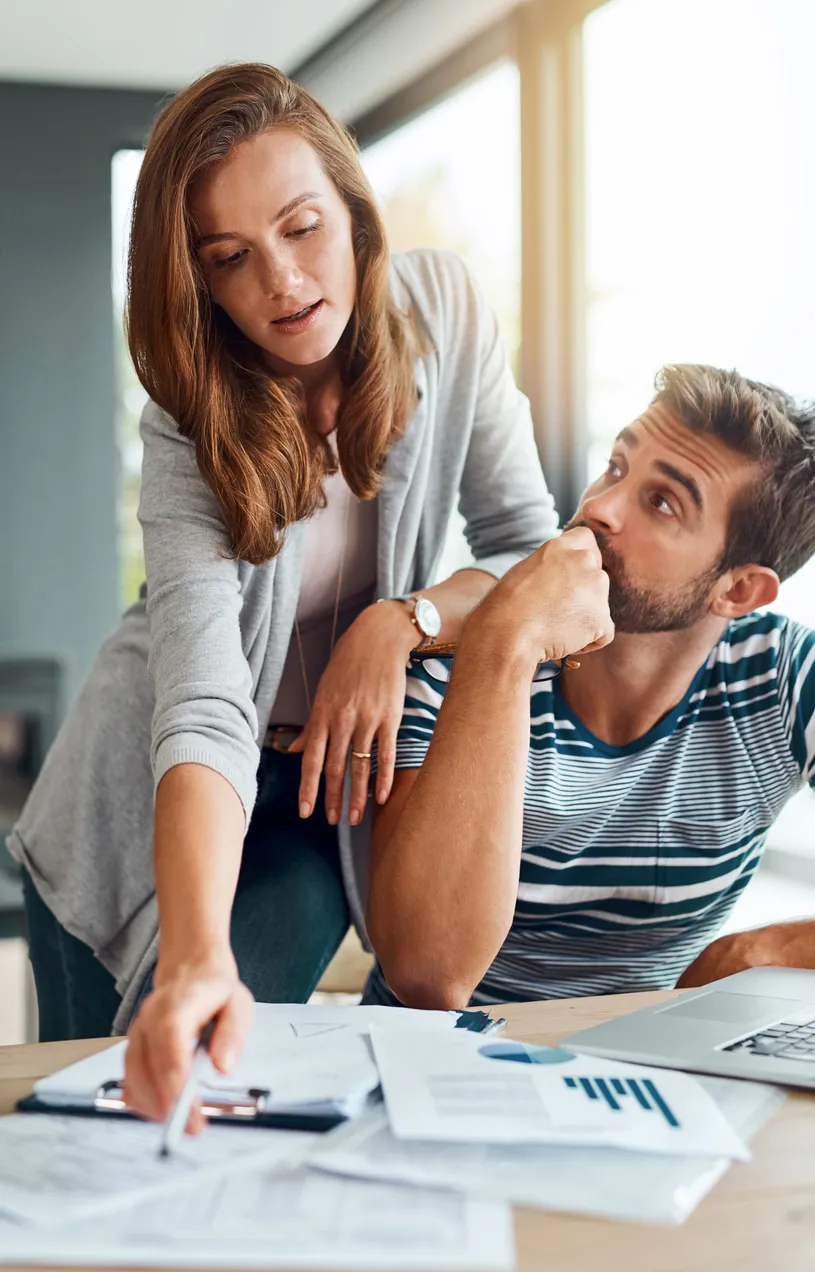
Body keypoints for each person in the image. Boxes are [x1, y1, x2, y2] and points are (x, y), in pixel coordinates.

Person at [7, 63, 558, 1124]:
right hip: (137, 796)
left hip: (317, 794)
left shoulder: (443, 311)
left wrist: (400, 625)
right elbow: (206, 699)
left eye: (302, 228)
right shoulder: (189, 412)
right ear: (199, 281)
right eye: (230, 258)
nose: (282, 282)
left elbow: (526, 548)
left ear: (352, 211)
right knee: (103, 1109)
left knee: (235, 1083)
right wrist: (195, 955)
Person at [365, 364, 815, 1010]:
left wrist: (761, 952)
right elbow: (427, 973)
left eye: (660, 502)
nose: (597, 508)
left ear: (737, 590)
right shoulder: (454, 655)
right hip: (437, 1071)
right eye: (615, 466)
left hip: (639, 1075)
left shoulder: (782, 681)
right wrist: (504, 644)